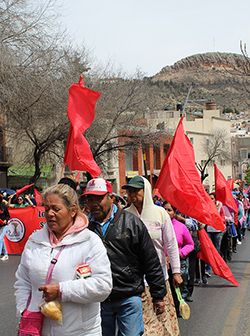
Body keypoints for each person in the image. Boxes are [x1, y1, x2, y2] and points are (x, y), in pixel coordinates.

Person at [15, 183, 112, 336]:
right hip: (40, 330)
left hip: (80, 332)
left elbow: (103, 286)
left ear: (73, 211)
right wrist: (24, 309)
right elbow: (23, 281)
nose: (50, 214)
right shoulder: (34, 240)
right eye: (46, 209)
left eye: (56, 209)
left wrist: (62, 290)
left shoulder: (90, 242)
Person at [84, 177, 166, 336]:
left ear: (111, 198)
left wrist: (158, 295)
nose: (94, 203)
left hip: (128, 296)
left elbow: (150, 260)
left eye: (98, 198)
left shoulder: (132, 223)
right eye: (90, 199)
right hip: (98, 299)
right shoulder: (84, 227)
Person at [124, 176, 182, 336]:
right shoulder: (125, 216)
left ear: (147, 191)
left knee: (162, 321)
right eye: (130, 191)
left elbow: (170, 244)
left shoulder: (160, 213)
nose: (132, 194)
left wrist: (176, 272)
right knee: (142, 325)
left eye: (136, 190)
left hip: (158, 277)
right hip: (135, 280)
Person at [163, 202, 194, 302]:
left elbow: (190, 244)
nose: (166, 212)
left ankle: (181, 304)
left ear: (174, 212)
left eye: (169, 210)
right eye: (164, 209)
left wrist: (179, 254)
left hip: (180, 262)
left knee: (180, 286)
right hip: (163, 263)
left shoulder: (181, 227)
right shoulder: (158, 226)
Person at [0, 193, 10, 261]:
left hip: (4, 226)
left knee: (0, 239)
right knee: (2, 240)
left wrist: (6, 220)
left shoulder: (4, 206)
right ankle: (6, 254)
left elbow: (8, 215)